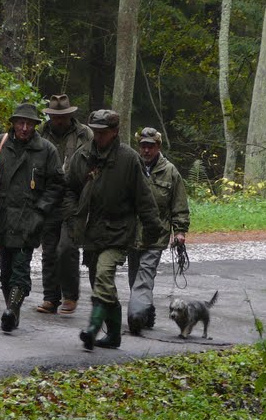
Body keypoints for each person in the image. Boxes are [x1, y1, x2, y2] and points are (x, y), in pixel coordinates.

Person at [64, 110, 162, 350]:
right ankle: (114, 335)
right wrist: (72, 214)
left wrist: (153, 229)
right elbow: (68, 189)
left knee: (104, 275)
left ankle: (92, 329)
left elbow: (144, 198)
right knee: (99, 281)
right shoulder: (83, 156)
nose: (98, 136)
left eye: (103, 132)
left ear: (115, 132)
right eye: (95, 131)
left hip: (119, 232)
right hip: (90, 232)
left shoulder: (128, 159)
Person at [0, 103, 64, 332]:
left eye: (29, 124)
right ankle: (13, 310)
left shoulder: (46, 150)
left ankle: (11, 311)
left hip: (29, 219)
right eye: (20, 123)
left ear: (35, 125)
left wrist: (41, 210)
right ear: (13, 123)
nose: (24, 128)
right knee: (6, 271)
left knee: (21, 267)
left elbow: (56, 185)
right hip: (0, 216)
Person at [127, 127, 190, 334]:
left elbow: (179, 205)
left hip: (156, 235)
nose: (146, 150)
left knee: (145, 274)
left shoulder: (170, 172)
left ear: (158, 147)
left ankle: (136, 317)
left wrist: (179, 232)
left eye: (150, 146)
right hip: (131, 234)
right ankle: (147, 310)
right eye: (143, 146)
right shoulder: (131, 166)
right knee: (135, 276)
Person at [37, 94, 93, 315]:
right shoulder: (40, 133)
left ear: (70, 115)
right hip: (47, 198)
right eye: (54, 116)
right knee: (49, 250)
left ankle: (70, 296)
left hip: (74, 199)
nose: (58, 120)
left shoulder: (84, 133)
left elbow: (93, 157)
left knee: (67, 248)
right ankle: (51, 297)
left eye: (62, 116)